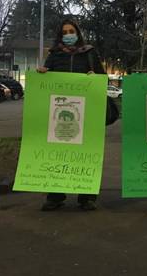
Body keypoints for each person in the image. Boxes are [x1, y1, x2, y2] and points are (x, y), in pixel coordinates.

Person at [37, 18, 105, 211]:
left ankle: (87, 196)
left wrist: (96, 78)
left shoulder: (89, 53)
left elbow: (102, 77)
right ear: (61, 35)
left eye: (71, 31)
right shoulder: (55, 54)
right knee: (57, 154)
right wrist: (42, 73)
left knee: (86, 153)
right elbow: (46, 80)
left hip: (87, 113)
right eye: (65, 32)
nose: (68, 35)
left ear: (78, 33)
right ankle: (55, 196)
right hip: (59, 113)